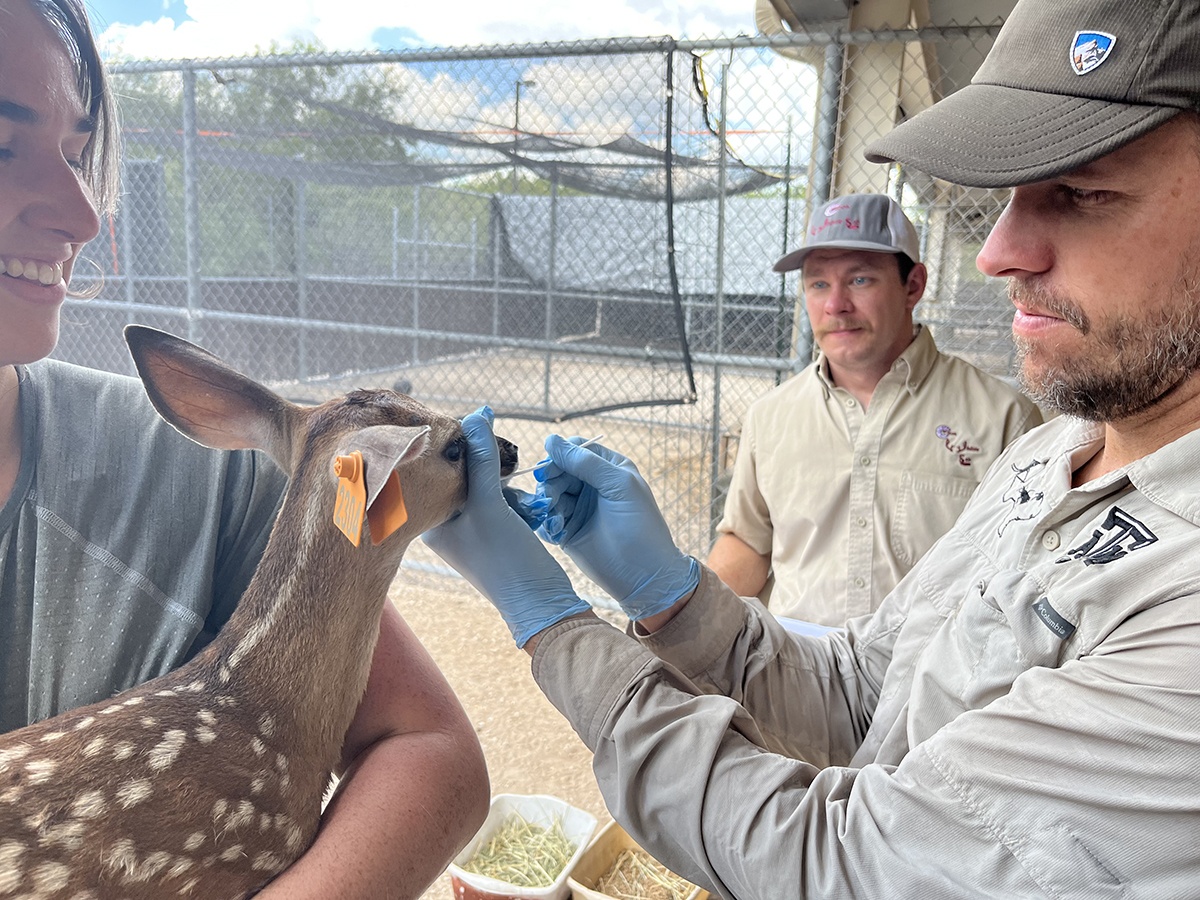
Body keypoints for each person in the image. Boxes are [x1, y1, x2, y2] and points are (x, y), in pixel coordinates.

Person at [424, 0, 1200, 895]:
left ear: (910, 287)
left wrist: (553, 625)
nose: (998, 251)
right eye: (1010, 196)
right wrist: (669, 595)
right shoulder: (1053, 453)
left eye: (1084, 191)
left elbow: (840, 862)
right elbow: (867, 692)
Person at [0, 0, 487, 895]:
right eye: (1, 145)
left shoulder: (195, 470)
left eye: (77, 152)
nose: (81, 213)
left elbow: (429, 752)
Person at [708, 193, 1040, 624]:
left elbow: (1023, 573)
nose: (835, 305)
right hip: (792, 672)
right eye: (818, 283)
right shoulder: (770, 417)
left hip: (930, 681)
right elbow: (749, 544)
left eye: (860, 280)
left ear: (913, 286)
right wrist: (686, 625)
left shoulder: (1004, 420)